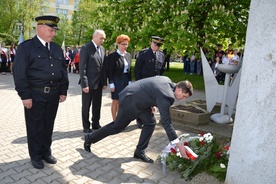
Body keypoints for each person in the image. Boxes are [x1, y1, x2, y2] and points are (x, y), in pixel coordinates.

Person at [84, 76, 193, 163]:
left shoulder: (167, 80)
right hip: (130, 101)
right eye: (184, 96)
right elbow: (166, 122)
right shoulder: (167, 96)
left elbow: (152, 90)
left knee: (150, 123)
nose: (183, 100)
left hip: (139, 101)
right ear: (178, 89)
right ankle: (90, 138)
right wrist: (179, 145)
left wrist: (152, 103)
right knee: (117, 127)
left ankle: (139, 152)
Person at [12, 15, 69, 169]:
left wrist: (63, 90)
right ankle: (35, 155)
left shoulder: (57, 49)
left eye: (55, 31)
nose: (53, 34)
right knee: (35, 126)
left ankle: (46, 152)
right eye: (51, 30)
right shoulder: (26, 48)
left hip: (53, 94)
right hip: (35, 95)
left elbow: (63, 71)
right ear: (40, 28)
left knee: (48, 125)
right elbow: (19, 73)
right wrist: (25, 95)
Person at [79, 29, 107, 133]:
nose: (102, 40)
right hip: (88, 84)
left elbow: (103, 67)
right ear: (94, 37)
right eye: (101, 38)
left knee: (97, 105)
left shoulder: (102, 49)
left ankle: (95, 123)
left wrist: (104, 82)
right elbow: (83, 67)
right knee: (86, 106)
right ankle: (86, 126)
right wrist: (84, 84)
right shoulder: (86, 48)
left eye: (103, 38)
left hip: (99, 83)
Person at [134, 36, 165, 128]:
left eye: (159, 45)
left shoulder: (161, 55)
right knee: (142, 102)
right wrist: (138, 82)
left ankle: (149, 118)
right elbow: (137, 69)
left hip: (155, 83)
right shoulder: (144, 53)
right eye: (156, 44)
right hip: (144, 82)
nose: (157, 47)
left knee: (152, 102)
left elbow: (161, 69)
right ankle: (140, 120)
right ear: (152, 43)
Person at [107, 34, 132, 120]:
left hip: (125, 79)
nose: (125, 46)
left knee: (124, 102)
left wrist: (130, 81)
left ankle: (121, 120)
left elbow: (129, 69)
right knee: (116, 101)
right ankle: (115, 121)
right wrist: (111, 83)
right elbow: (110, 71)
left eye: (126, 44)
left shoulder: (128, 55)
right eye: (123, 44)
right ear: (118, 44)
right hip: (116, 80)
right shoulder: (112, 56)